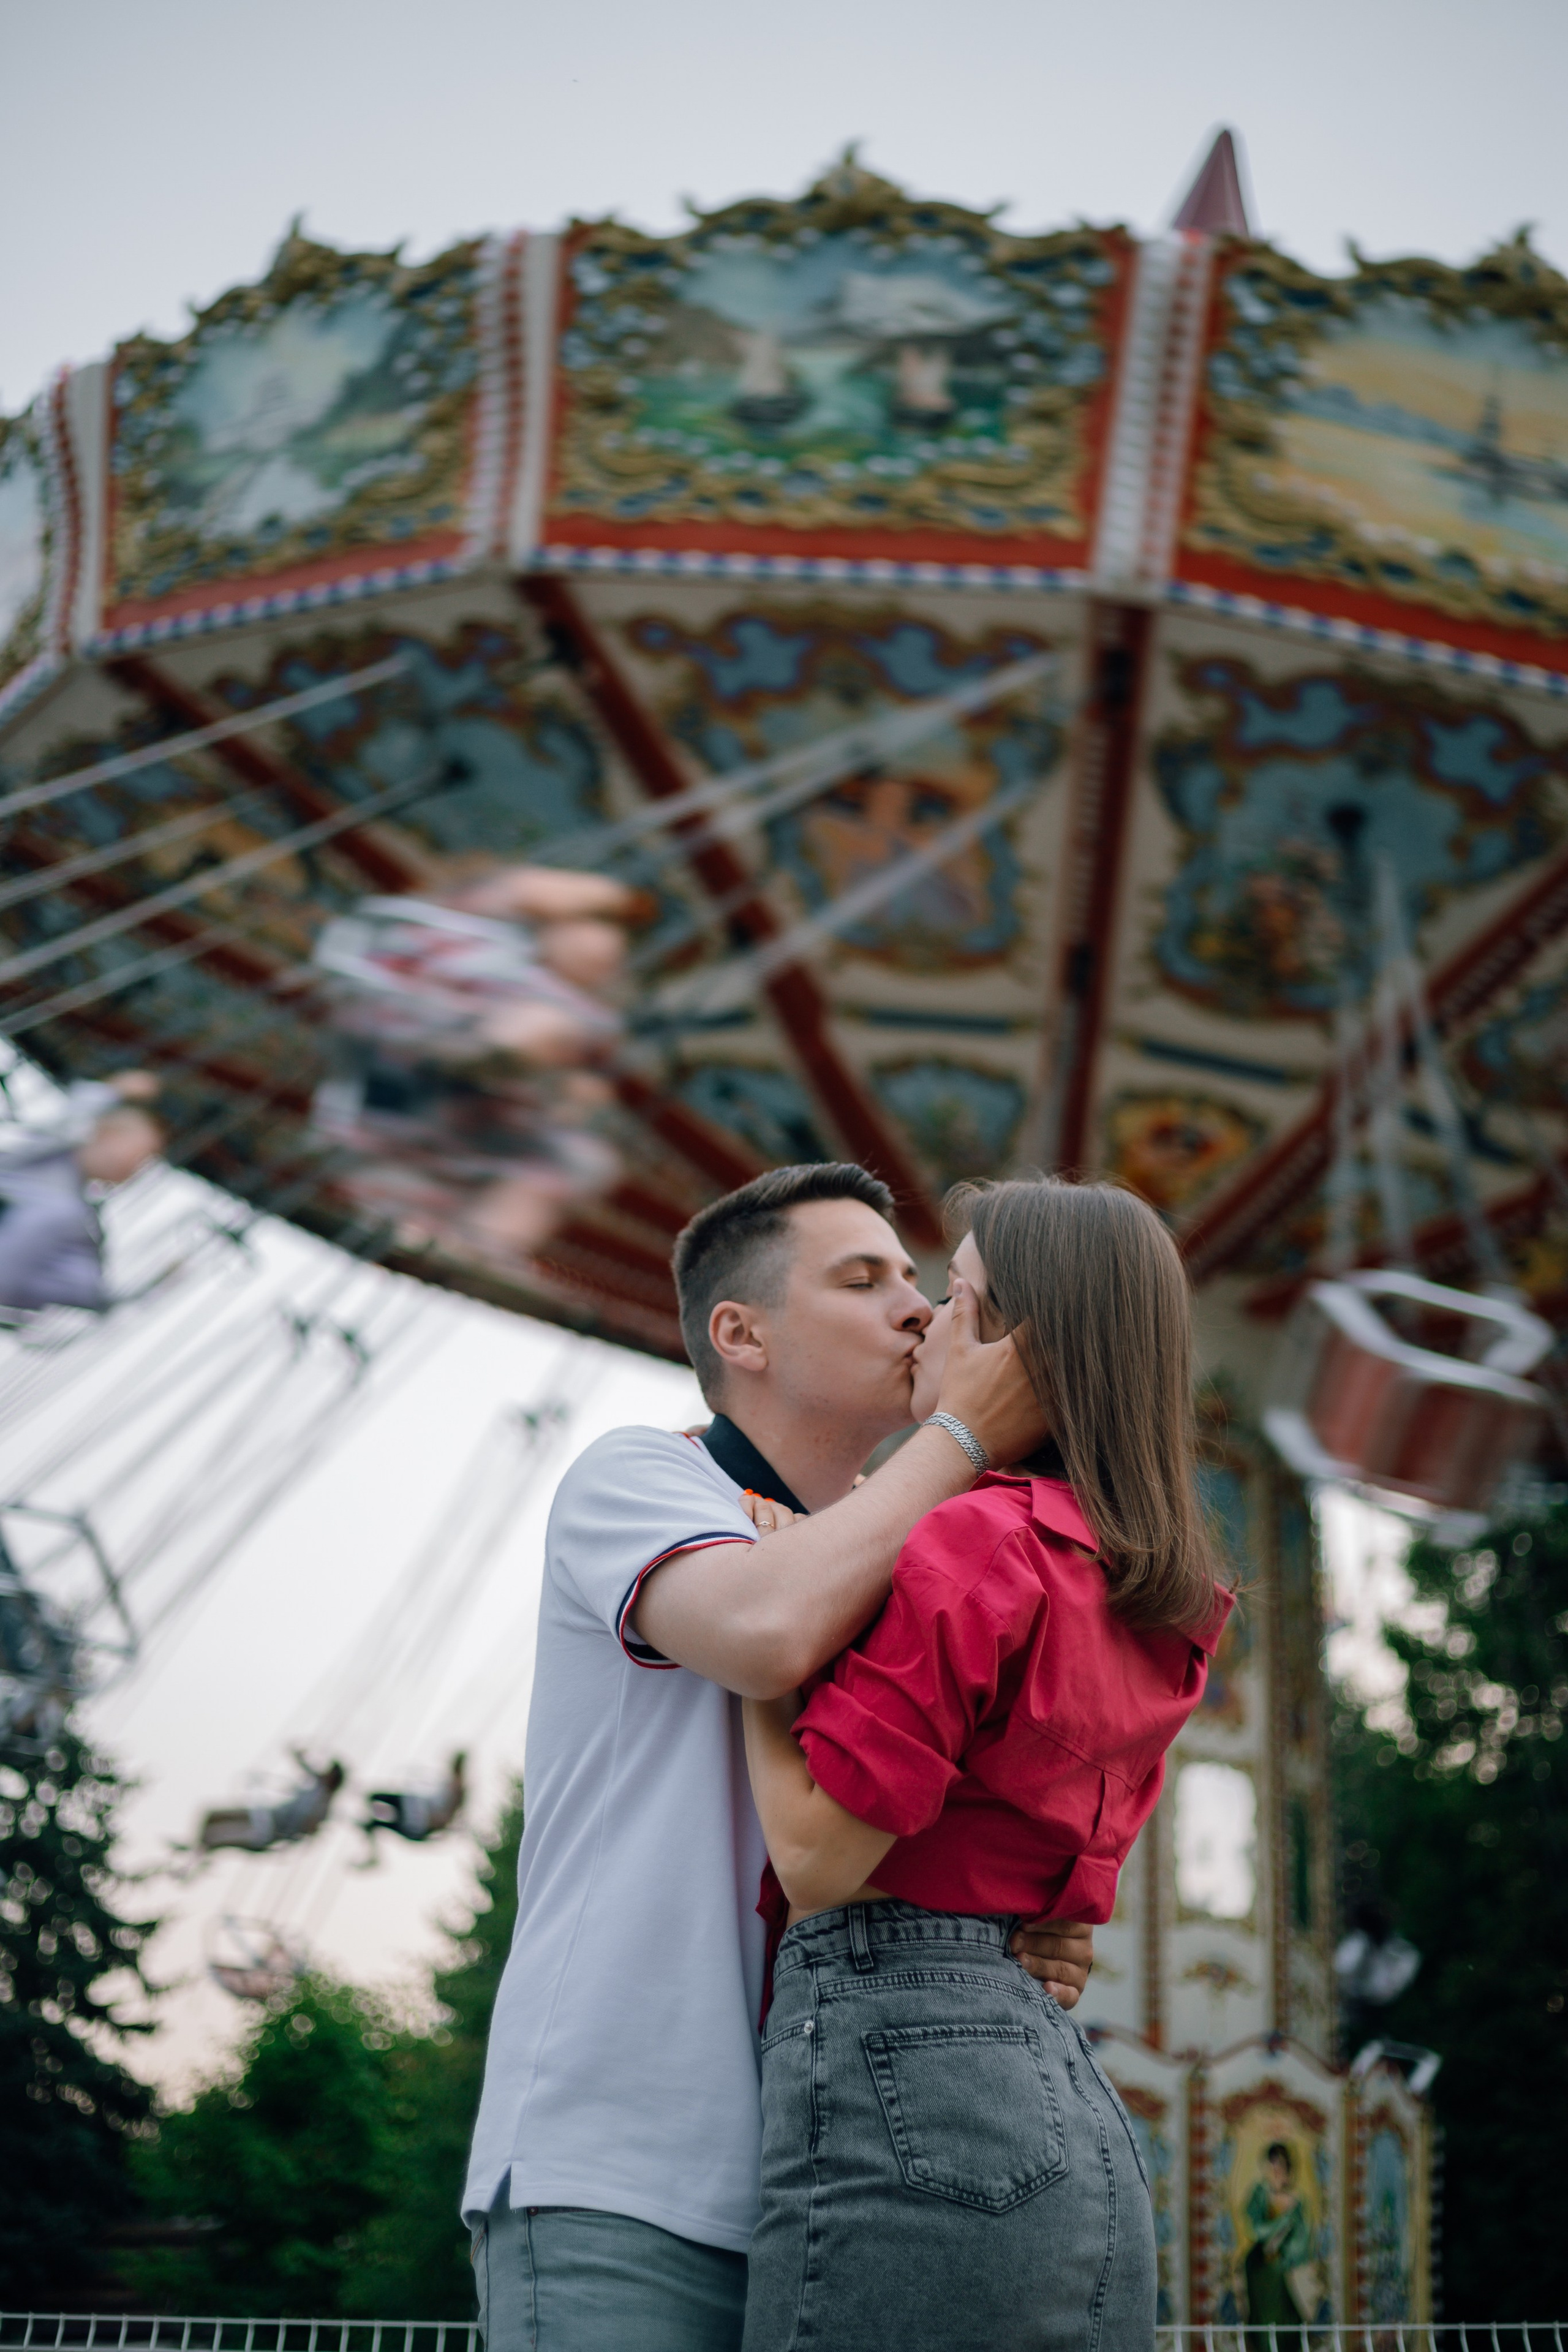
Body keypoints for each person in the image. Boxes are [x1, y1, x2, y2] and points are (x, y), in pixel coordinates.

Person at [463, 1163, 1097, 2352]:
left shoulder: (919, 1547)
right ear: (739, 1334)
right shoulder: (643, 1477)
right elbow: (761, 1632)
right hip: (626, 2165)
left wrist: (1033, 1912)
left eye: (915, 1280)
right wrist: (963, 1435)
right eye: (862, 1281)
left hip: (846, 2165)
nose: (914, 1309)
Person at [739, 1176, 1233, 2352]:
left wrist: (766, 1657)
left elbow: (817, 1858)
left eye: (954, 1297)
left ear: (1015, 1348)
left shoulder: (972, 1541)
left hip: (902, 2061)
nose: (925, 1319)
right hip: (1062, 2097)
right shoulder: (1161, 1599)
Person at [311, 864, 639, 1265]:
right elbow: (524, 891)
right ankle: (476, 1057)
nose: (605, 949)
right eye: (594, 928)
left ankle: (478, 1252)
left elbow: (587, 1081)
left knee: (567, 1166)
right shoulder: (480, 938)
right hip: (418, 1053)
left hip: (457, 1116)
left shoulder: (579, 1009)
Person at [0, 1072, 164, 1314]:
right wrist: (114, 1091)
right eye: (138, 1157)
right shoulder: (42, 1158)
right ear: (108, 1135)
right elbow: (63, 1123)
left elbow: (80, 1286)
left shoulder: (77, 1213)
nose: (134, 1169)